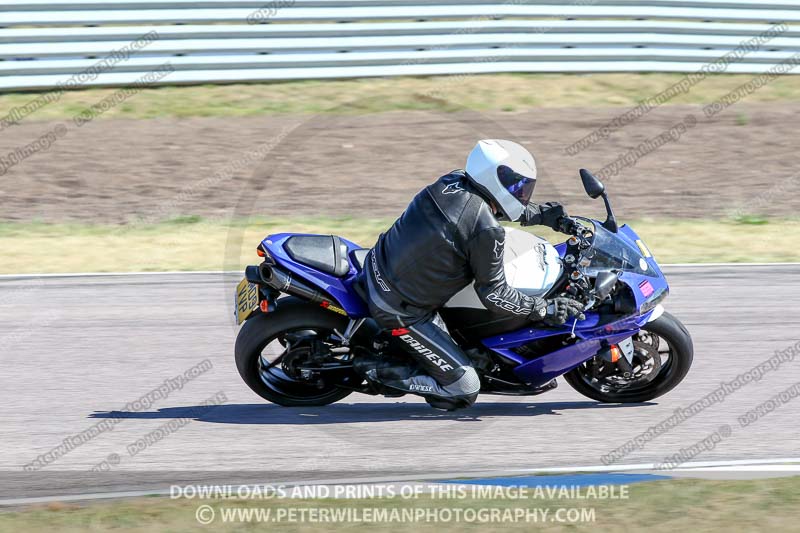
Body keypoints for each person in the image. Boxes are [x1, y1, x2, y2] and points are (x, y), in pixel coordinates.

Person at [354, 139, 585, 410]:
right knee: (464, 389)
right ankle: (374, 369)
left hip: (380, 264)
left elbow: (483, 213)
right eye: (515, 185)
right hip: (401, 308)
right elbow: (495, 295)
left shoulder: (451, 181)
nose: (520, 192)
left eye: (523, 186)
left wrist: (544, 216)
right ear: (492, 177)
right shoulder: (487, 230)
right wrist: (542, 308)